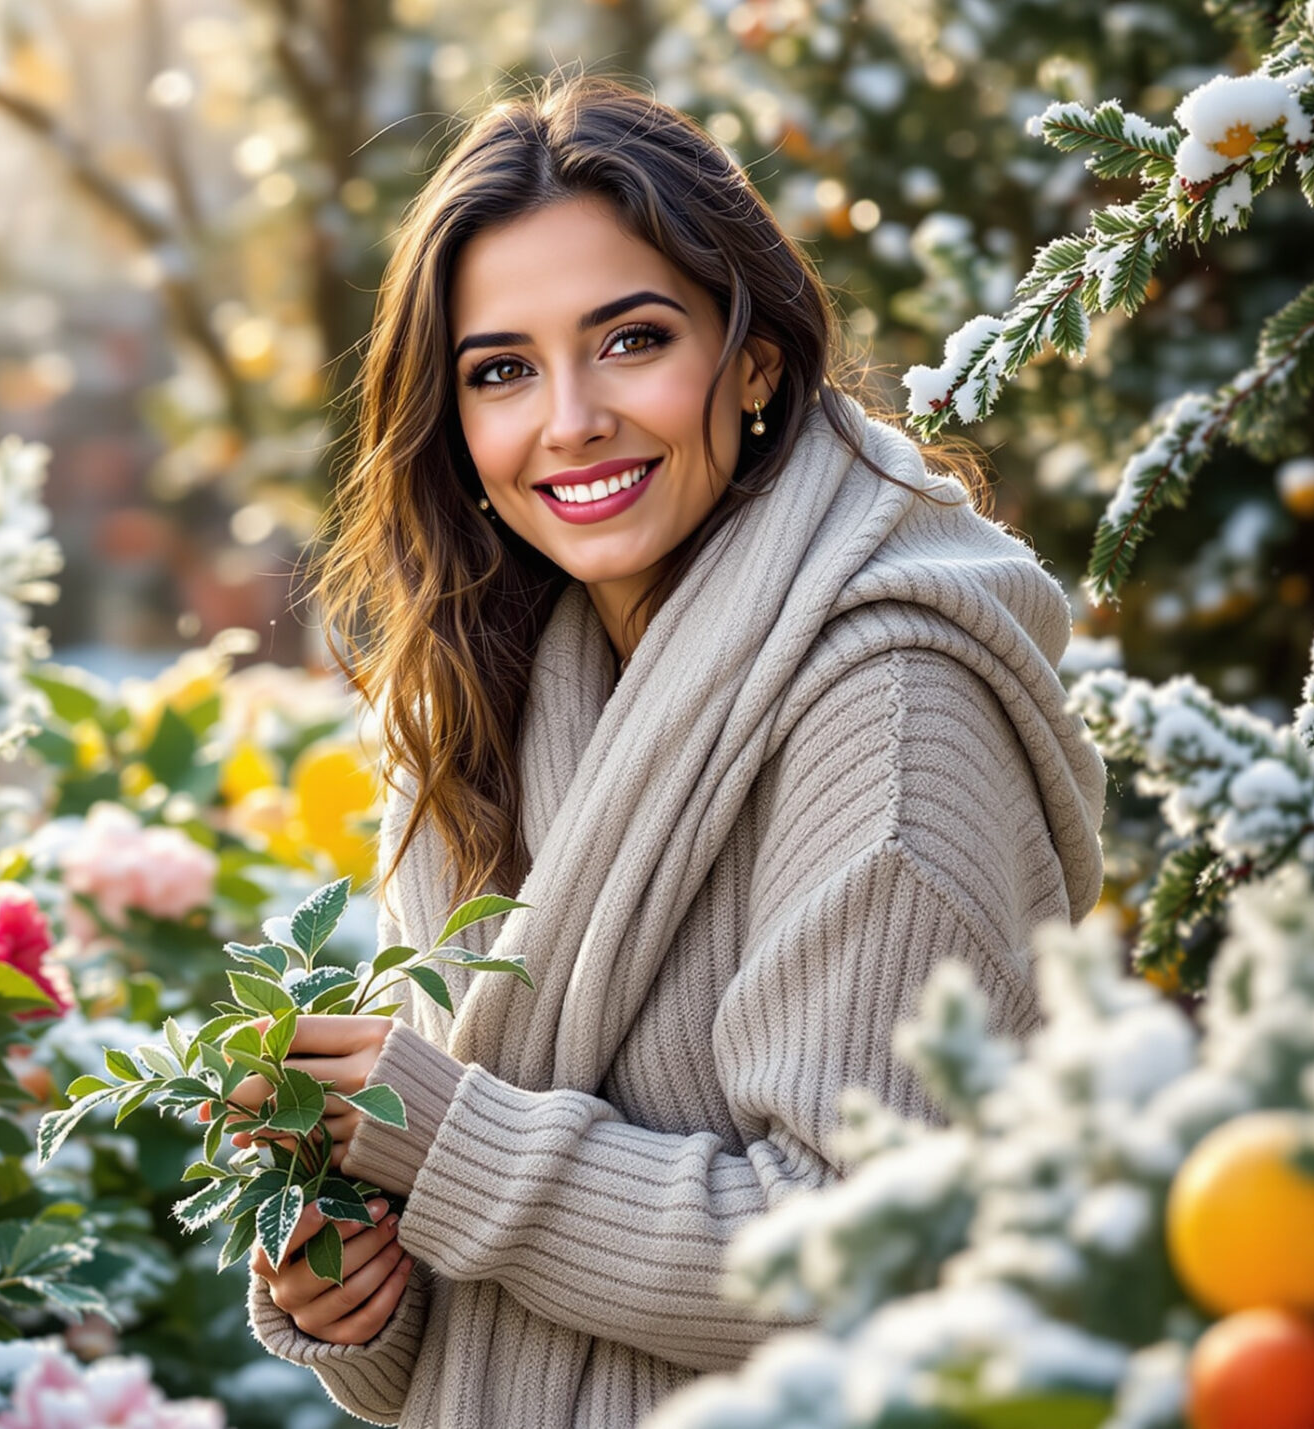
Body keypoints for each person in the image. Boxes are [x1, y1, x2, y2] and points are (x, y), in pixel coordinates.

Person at [228, 76, 1109, 1426]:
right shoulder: (508, 686)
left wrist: (452, 1147)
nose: (569, 419)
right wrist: (363, 1282)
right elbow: (494, 1281)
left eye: (631, 340)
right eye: (502, 369)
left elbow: (875, 1243)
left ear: (754, 358)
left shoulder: (888, 702)